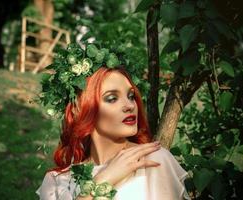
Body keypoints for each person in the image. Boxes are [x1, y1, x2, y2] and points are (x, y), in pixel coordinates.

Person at [36, 44, 190, 200]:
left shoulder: (152, 161)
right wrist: (105, 179)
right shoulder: (56, 182)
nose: (130, 106)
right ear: (80, 109)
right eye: (112, 98)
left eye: (131, 96)